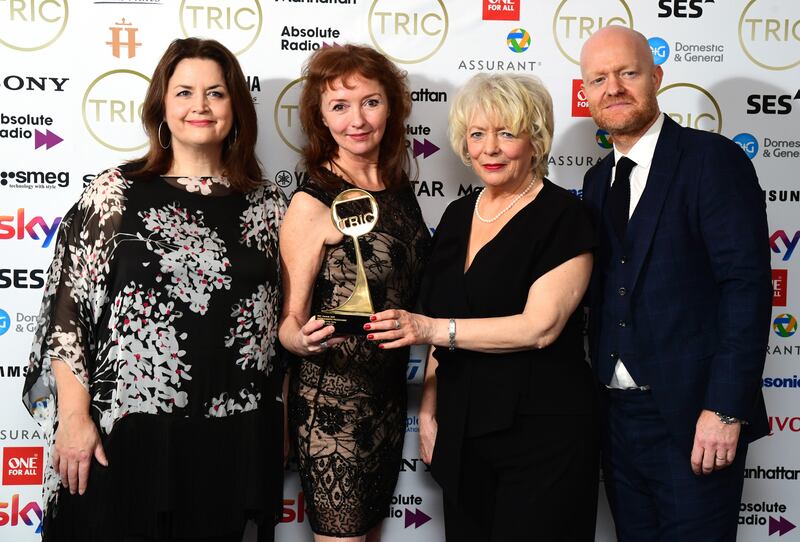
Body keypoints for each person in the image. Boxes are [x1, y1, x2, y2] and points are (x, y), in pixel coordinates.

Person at [22, 38, 286, 542]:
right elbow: (68, 313)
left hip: (231, 437)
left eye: (216, 93)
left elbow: (282, 324)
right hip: (126, 433)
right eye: (184, 92)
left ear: (236, 108)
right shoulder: (116, 192)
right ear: (161, 106)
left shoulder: (270, 205)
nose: (200, 107)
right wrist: (74, 418)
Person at [369, 73, 598, 541]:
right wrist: (429, 412)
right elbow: (437, 320)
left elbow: (539, 327)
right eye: (477, 134)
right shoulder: (457, 216)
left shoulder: (565, 217)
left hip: (543, 434)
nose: (489, 148)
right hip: (463, 431)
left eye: (506, 133)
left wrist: (433, 330)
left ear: (535, 139)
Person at [579, 26, 772, 541]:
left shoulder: (713, 160)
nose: (613, 87)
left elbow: (746, 289)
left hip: (695, 419)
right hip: (617, 423)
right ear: (586, 93)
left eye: (627, 73)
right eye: (598, 78)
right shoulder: (595, 182)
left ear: (656, 77)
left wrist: (725, 409)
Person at [278, 44, 430, 542]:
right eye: (339, 106)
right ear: (321, 119)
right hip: (332, 406)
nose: (357, 120)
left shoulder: (401, 190)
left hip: (385, 401)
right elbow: (289, 323)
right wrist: (304, 340)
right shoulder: (313, 200)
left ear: (392, 105)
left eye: (370, 102)